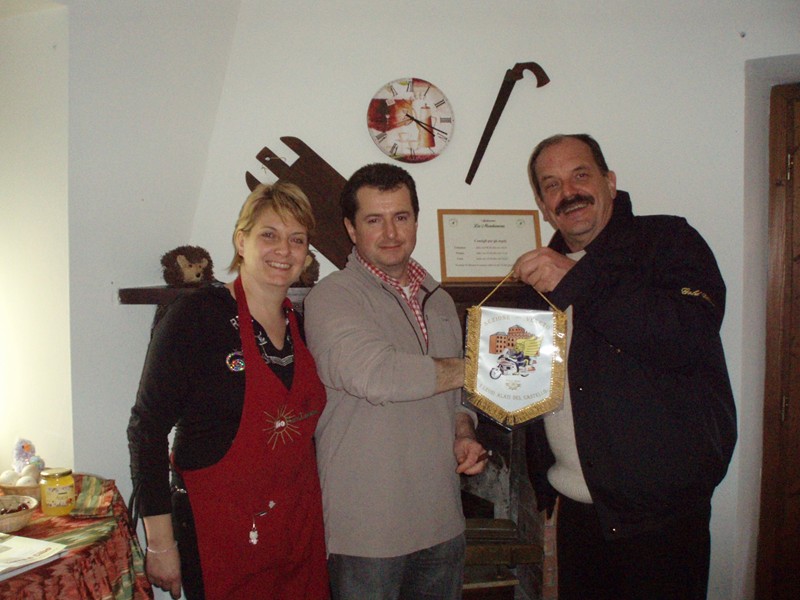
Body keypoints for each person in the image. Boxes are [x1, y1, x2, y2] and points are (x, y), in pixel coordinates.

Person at [513, 133, 737, 600]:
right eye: (551, 185)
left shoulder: (669, 241)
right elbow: (527, 378)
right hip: (577, 510)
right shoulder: (540, 275)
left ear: (610, 182)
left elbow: (688, 336)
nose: (568, 192)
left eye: (580, 175)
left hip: (662, 518)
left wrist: (579, 280)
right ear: (542, 205)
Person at [127, 182, 329, 600]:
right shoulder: (196, 315)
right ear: (241, 241)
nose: (284, 250)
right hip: (217, 531)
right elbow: (146, 430)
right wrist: (160, 543)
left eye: (297, 239)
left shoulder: (304, 324)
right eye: (269, 235)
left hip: (297, 530)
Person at [303, 163, 487, 600]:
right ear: (351, 229)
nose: (390, 233)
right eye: (374, 220)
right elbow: (377, 375)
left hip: (443, 521)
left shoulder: (439, 300)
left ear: (416, 221)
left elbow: (455, 396)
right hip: (367, 534)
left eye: (401, 217)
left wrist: (464, 430)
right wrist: (483, 366)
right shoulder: (331, 296)